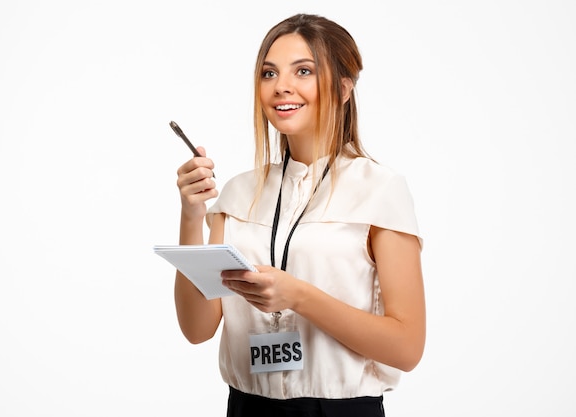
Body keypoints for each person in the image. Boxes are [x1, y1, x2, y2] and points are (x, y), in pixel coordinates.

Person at [173, 13, 425, 417]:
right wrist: (191, 214)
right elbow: (196, 329)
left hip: (342, 411)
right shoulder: (237, 194)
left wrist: (299, 296)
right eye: (269, 73)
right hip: (248, 407)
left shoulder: (380, 190)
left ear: (344, 88)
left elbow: (407, 348)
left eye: (303, 70)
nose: (281, 87)